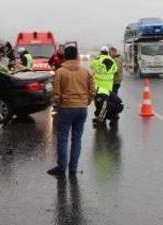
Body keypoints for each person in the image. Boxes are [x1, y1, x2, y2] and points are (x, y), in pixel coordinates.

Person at [47, 46, 95, 177]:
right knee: (77, 139)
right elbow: (92, 91)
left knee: (62, 138)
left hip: (66, 109)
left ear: (65, 57)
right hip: (81, 109)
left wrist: (58, 104)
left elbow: (56, 92)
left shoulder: (60, 72)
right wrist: (86, 102)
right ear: (76, 56)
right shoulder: (86, 72)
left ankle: (61, 168)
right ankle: (73, 168)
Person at [90, 46, 118, 124]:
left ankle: (100, 118)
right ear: (107, 52)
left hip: (98, 87)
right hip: (108, 87)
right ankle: (102, 118)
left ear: (100, 52)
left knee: (98, 103)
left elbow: (91, 66)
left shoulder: (97, 60)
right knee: (105, 103)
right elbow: (115, 69)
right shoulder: (112, 60)